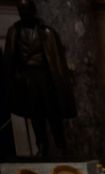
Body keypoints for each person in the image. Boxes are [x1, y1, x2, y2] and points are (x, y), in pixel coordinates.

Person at [3, 0, 76, 158]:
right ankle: (42, 146)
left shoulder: (47, 32)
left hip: (46, 78)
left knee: (53, 112)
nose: (24, 13)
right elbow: (9, 59)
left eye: (27, 10)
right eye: (21, 10)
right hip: (27, 79)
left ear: (33, 11)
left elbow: (57, 59)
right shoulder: (14, 32)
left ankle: (61, 144)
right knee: (35, 115)